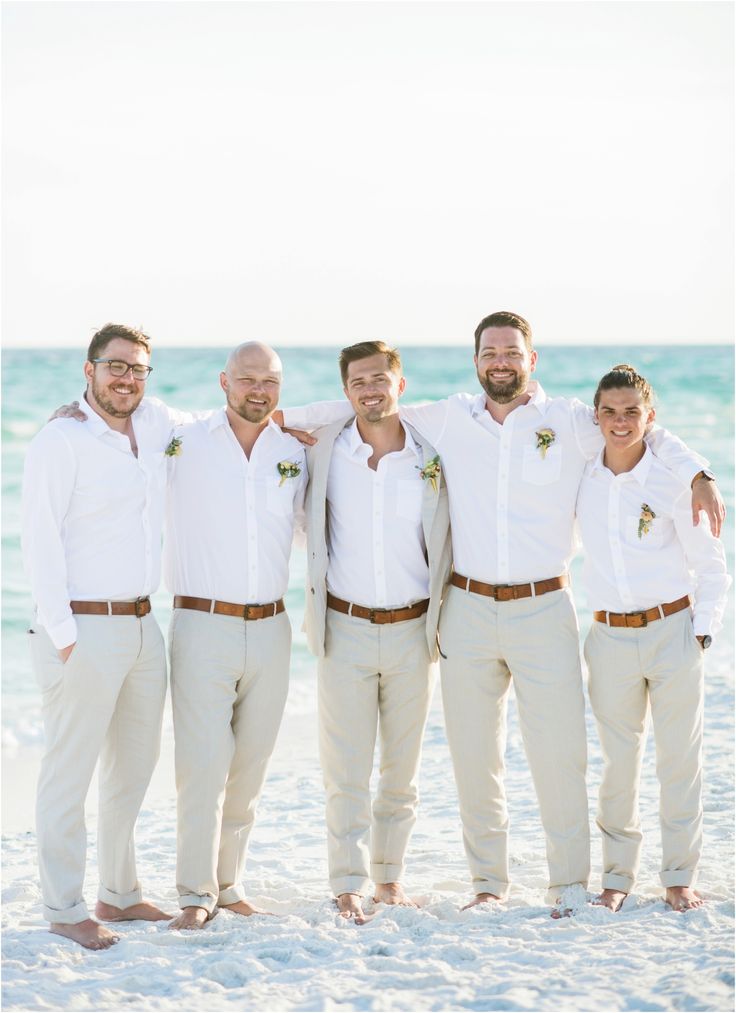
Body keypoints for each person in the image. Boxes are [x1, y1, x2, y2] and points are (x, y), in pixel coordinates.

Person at [279, 312, 724, 914]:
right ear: (476, 361)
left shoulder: (570, 422)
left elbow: (641, 433)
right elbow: (369, 406)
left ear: (531, 360)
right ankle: (488, 884)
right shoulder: (449, 418)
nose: (500, 362)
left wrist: (698, 471)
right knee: (474, 754)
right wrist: (274, 419)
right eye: (490, 352)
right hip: (464, 605)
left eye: (512, 352)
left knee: (560, 752)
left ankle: (568, 883)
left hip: (546, 607)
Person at [22, 323, 173, 950]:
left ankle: (119, 892)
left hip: (144, 624)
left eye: (137, 369)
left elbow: (242, 412)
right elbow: (38, 537)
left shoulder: (159, 424)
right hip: (82, 628)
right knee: (69, 772)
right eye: (115, 367)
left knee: (132, 770)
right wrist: (63, 633)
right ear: (89, 370)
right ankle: (63, 907)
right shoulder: (61, 439)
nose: (127, 378)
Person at [302, 341, 451, 924]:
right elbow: (263, 415)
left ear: (400, 383)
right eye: (358, 381)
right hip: (345, 626)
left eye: (380, 379)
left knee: (401, 770)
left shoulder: (430, 452)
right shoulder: (325, 450)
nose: (370, 390)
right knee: (345, 767)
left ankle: (388, 879)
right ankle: (347, 883)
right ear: (345, 390)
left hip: (416, 628)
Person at [576, 365, 729, 913]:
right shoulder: (581, 475)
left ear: (650, 418)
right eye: (610, 413)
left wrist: (701, 636)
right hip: (608, 636)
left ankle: (679, 876)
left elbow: (712, 567)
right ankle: (617, 876)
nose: (620, 423)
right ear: (596, 416)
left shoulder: (672, 483)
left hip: (673, 633)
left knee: (678, 761)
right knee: (619, 764)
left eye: (632, 413)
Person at [164, 342, 307, 930]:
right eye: (247, 378)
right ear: (223, 381)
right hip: (202, 623)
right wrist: (73, 408)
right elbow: (126, 414)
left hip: (273, 627)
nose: (258, 389)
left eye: (269, 380)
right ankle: (195, 892)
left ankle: (229, 884)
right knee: (202, 767)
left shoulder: (293, 448)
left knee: (249, 766)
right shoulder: (186, 439)